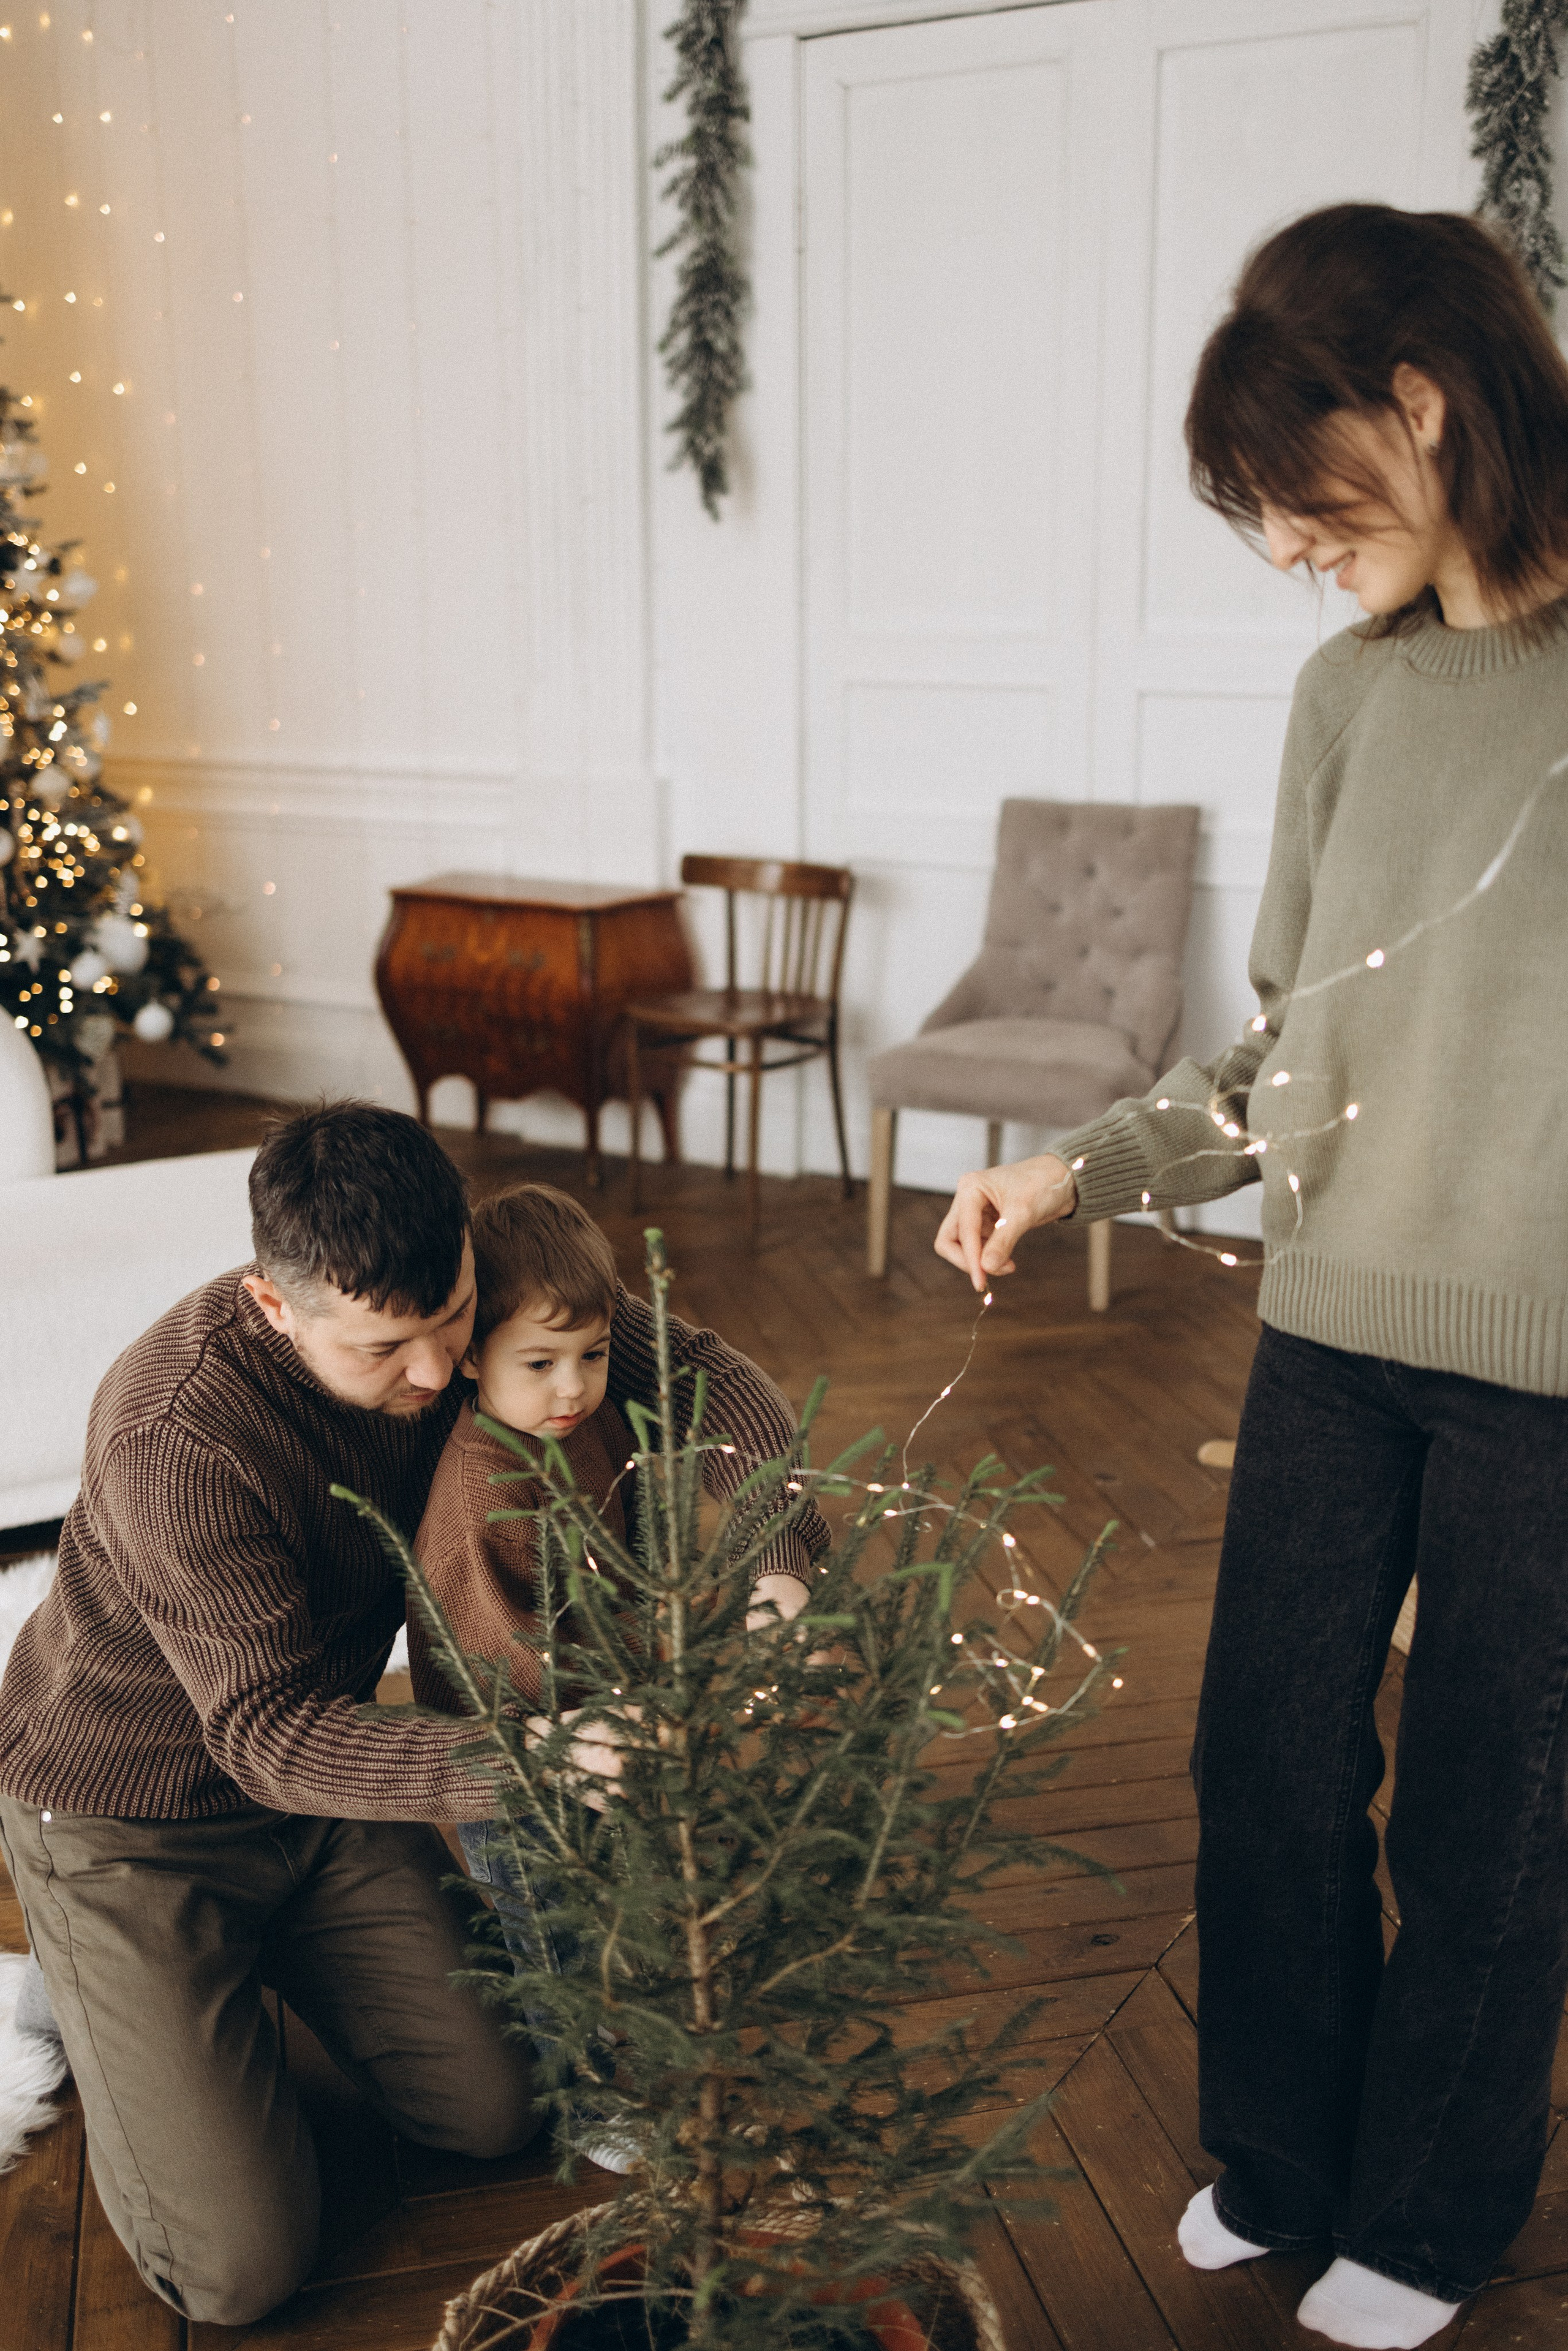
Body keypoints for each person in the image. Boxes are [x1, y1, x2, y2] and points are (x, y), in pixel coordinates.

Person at [933, 203, 1568, 2351]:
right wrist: (1075, 1168)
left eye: (1300, 495)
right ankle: (1282, 2158)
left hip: (1552, 1378)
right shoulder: (1346, 696)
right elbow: (1287, 1045)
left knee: (1491, 1817)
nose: (1287, 548)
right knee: (1268, 1764)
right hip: (1330, 1334)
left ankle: (1432, 2216)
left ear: (1425, 403)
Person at [0, 1101, 827, 2326]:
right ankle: (83, 1968)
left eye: (453, 1318)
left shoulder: (468, 1279)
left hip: (321, 1793)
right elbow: (265, 1734)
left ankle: (225, 1975)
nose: (439, 1372)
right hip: (130, 1812)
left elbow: (705, 1374)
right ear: (275, 1306)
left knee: (497, 2107)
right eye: (386, 1348)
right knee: (234, 2270)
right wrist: (539, 1756)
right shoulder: (176, 1435)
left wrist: (779, 1562)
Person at [406, 1180, 823, 2172]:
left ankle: (641, 2042)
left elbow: (627, 1538)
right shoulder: (487, 1485)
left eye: (593, 1355)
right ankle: (588, 2100)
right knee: (550, 1927)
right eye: (540, 1362)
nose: (573, 1386)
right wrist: (643, 1681)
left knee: (611, 1904)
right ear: (471, 1355)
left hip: (603, 1720)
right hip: (515, 1756)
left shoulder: (575, 1423)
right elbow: (507, 1649)